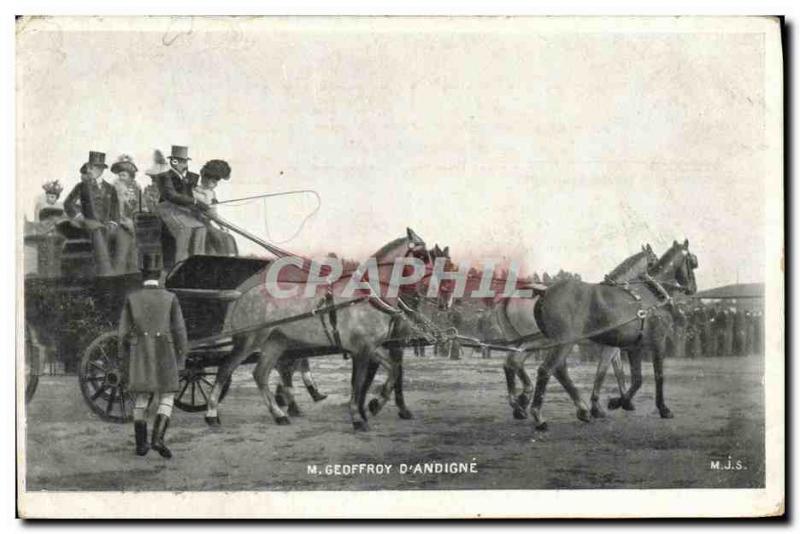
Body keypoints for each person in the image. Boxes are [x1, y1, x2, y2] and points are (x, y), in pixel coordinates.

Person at [119, 252, 188, 459]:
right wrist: (181, 358)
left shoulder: (132, 298)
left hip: (140, 352)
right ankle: (158, 438)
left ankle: (141, 445)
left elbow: (122, 334)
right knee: (167, 396)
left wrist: (124, 362)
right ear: (160, 275)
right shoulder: (170, 298)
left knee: (141, 397)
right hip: (165, 352)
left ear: (143, 275)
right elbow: (180, 331)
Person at [63, 151, 129, 276]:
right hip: (88, 223)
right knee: (97, 230)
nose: (91, 170)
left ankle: (120, 273)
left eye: (94, 167)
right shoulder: (81, 186)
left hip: (106, 224)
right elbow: (68, 203)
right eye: (90, 167)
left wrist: (113, 222)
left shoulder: (110, 188)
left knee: (123, 233)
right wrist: (79, 217)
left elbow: (115, 209)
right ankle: (106, 273)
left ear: (101, 169)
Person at [153, 145, 209, 263]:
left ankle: (199, 263)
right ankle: (180, 265)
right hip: (167, 209)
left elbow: (191, 195)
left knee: (201, 228)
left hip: (183, 211)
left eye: (185, 162)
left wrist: (200, 204)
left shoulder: (188, 178)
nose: (184, 165)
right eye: (181, 162)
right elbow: (171, 196)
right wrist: (194, 202)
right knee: (184, 230)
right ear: (173, 161)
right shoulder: (164, 176)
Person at [195, 159, 237, 256]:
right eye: (213, 181)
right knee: (222, 239)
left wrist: (222, 226)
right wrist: (221, 225)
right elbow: (211, 213)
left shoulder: (212, 193)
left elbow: (214, 213)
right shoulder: (196, 191)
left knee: (229, 238)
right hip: (199, 223)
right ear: (205, 178)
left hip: (208, 223)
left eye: (216, 181)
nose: (215, 184)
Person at [110, 154, 141, 272]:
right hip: (119, 224)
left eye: (125, 174)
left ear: (130, 175)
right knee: (121, 253)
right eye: (120, 174)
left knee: (134, 254)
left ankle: (133, 280)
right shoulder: (114, 187)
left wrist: (135, 221)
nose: (121, 177)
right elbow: (114, 208)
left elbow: (140, 205)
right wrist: (124, 221)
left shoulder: (136, 187)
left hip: (133, 224)